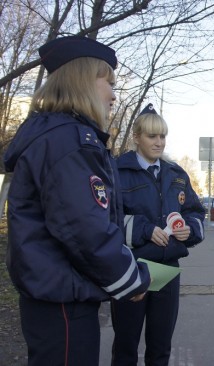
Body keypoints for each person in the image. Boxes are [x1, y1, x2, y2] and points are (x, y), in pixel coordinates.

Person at [3, 35, 151, 366]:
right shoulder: (69, 141)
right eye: (108, 82)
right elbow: (85, 229)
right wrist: (131, 279)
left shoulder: (57, 135)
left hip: (54, 296)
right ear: (83, 81)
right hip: (63, 301)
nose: (113, 95)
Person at [111, 103, 206, 366]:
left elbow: (196, 212)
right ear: (136, 137)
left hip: (167, 270)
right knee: (125, 347)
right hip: (131, 269)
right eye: (152, 136)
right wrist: (144, 229)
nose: (159, 142)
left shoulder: (175, 174)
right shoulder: (116, 171)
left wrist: (189, 229)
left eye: (162, 136)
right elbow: (106, 220)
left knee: (161, 347)